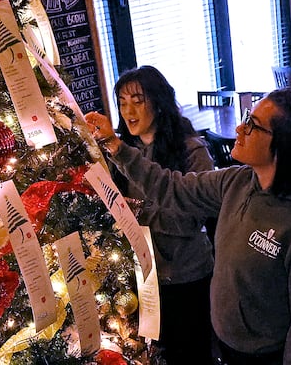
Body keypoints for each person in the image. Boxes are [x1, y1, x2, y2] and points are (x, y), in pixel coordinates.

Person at [85, 86, 291, 365]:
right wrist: (115, 146)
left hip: (268, 357)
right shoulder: (236, 181)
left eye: (253, 124)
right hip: (228, 349)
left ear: (284, 143)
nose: (240, 128)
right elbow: (172, 187)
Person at [95, 66, 216, 364]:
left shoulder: (192, 151)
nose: (128, 110)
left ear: (159, 103)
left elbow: (189, 220)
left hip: (187, 275)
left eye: (137, 100)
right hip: (145, 278)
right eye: (122, 102)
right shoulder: (123, 151)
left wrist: (136, 213)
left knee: (190, 355)